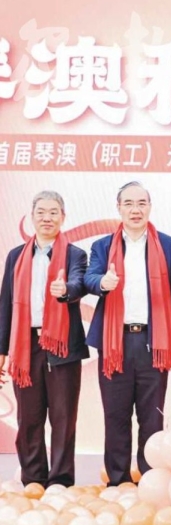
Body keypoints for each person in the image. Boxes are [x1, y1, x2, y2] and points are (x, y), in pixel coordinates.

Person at [84, 181, 171, 486]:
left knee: (152, 418)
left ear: (150, 207)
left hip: (154, 342)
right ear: (119, 208)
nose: (135, 209)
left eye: (141, 203)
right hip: (115, 343)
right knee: (115, 416)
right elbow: (90, 278)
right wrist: (103, 283)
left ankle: (150, 480)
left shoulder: (169, 246)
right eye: (128, 203)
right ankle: (117, 481)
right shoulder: (103, 246)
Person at [0, 191, 89, 487]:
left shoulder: (75, 254)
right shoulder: (16, 256)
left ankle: (60, 482)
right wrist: (2, 350)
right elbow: (6, 303)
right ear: (32, 216)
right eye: (41, 212)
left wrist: (65, 291)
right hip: (25, 347)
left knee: (63, 419)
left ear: (63, 217)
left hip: (63, 346)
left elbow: (78, 283)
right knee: (29, 418)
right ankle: (33, 480)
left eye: (53, 212)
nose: (47, 218)